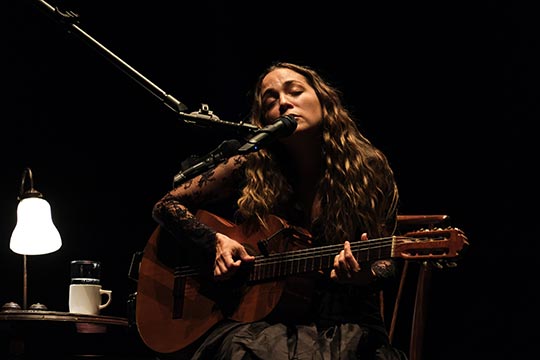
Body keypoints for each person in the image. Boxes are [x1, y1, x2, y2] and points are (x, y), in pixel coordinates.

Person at [151, 61, 408, 360]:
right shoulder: (250, 163)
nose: (284, 103)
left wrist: (365, 274)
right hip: (264, 324)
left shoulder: (367, 168)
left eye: (295, 91)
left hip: (343, 322)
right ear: (264, 119)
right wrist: (215, 242)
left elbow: (386, 263)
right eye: (270, 100)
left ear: (324, 101)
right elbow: (166, 205)